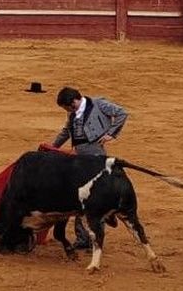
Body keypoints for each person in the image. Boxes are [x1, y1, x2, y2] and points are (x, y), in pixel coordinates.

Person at [48, 86, 131, 250]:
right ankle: (84, 238)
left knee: (91, 198)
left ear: (73, 102)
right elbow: (66, 132)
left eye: (65, 107)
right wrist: (52, 148)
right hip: (79, 157)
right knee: (80, 197)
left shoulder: (98, 104)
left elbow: (122, 113)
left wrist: (112, 134)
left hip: (95, 156)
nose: (66, 110)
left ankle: (99, 226)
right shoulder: (72, 113)